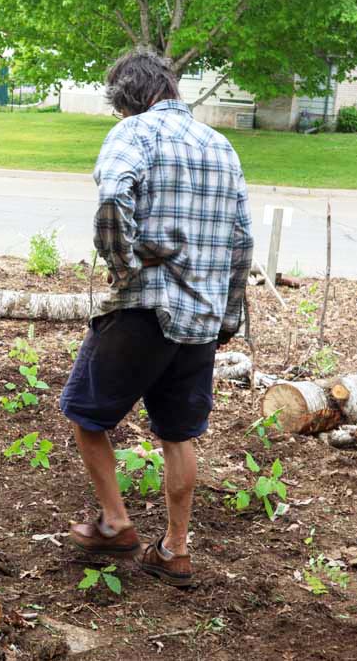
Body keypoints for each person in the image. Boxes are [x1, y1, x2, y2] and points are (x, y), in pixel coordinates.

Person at [60, 49, 254, 587]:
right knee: (177, 434)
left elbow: (111, 200)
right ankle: (175, 550)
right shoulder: (222, 146)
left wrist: (123, 267)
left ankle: (117, 524)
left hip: (144, 308)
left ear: (128, 99)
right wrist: (228, 317)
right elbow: (242, 240)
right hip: (202, 319)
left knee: (84, 412)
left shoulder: (134, 134)